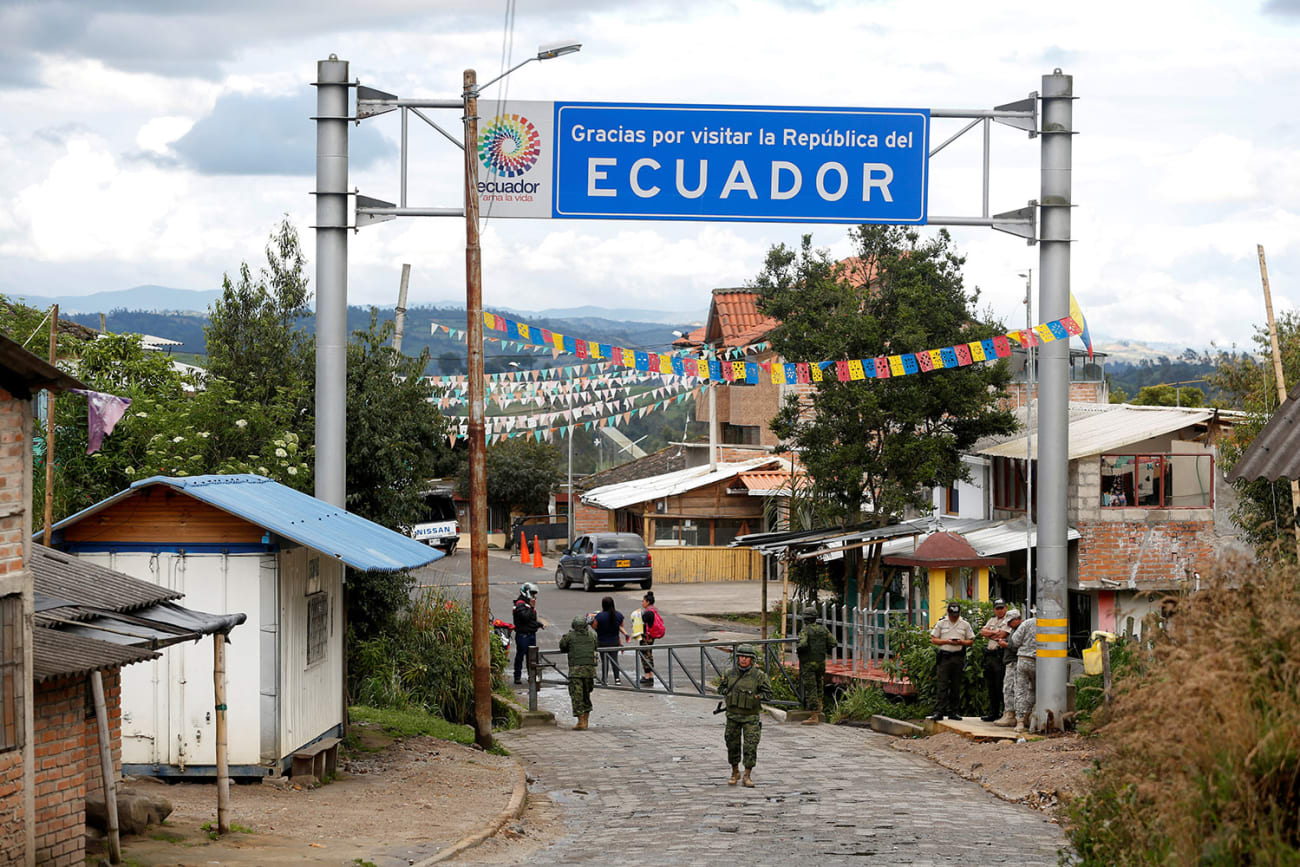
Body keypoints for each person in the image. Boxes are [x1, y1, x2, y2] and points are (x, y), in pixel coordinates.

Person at [719, 644, 772, 787]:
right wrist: (728, 693)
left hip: (750, 717)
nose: (743, 659)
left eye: (746, 657)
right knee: (732, 744)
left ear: (752, 660)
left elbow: (768, 694)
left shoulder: (759, 676)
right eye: (741, 657)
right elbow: (722, 688)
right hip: (733, 716)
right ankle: (735, 771)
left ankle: (747, 775)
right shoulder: (730, 673)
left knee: (750, 746)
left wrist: (756, 697)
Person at [929, 602, 974, 721]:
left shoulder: (964, 624)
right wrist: (946, 641)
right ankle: (939, 712)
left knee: (956, 685)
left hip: (958, 656)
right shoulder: (941, 623)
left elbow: (971, 641)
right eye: (952, 614)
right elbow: (933, 639)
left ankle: (954, 712)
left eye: (956, 614)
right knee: (942, 685)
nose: (954, 617)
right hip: (944, 657)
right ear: (948, 613)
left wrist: (961, 642)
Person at [796, 605, 837, 725]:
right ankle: (820, 707)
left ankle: (814, 716)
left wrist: (799, 649)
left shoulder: (805, 630)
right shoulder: (823, 629)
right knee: (819, 685)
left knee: (811, 688)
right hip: (820, 662)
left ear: (805, 619)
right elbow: (833, 643)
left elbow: (802, 645)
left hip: (808, 663)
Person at [559, 615, 597, 730]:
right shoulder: (592, 635)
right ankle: (585, 720)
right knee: (586, 695)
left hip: (576, 671)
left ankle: (581, 721)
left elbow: (562, 646)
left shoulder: (570, 636)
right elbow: (596, 645)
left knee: (577, 696)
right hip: (589, 671)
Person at [979, 599, 1014, 722]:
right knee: (991, 686)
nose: (1000, 611)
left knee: (1001, 685)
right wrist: (994, 632)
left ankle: (1003, 712)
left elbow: (1003, 635)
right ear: (994, 609)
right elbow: (982, 632)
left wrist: (991, 634)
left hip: (1000, 656)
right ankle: (993, 712)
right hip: (990, 655)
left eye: (1002, 608)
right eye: (997, 608)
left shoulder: (1009, 621)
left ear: (1006, 608)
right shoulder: (992, 620)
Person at [1008, 613, 1038, 733]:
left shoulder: (1026, 623)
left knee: (1020, 690)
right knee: (1034, 690)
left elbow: (1014, 641)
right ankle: (1029, 717)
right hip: (1041, 662)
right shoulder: (1049, 625)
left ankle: (1020, 721)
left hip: (1024, 659)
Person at [993, 609, 1024, 727]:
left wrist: (1005, 644)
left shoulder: (1021, 630)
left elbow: (1018, 646)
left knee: (1010, 688)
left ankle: (1011, 715)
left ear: (1017, 620)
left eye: (1010, 621)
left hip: (1014, 662)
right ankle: (1008, 713)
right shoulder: (1014, 630)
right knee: (1008, 688)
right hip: (1010, 662)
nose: (1009, 624)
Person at [512, 582, 542, 685]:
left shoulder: (528, 604)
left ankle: (532, 676)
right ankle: (517, 676)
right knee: (520, 656)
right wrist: (532, 608)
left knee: (532, 657)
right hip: (523, 635)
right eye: (532, 594)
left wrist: (538, 624)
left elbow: (531, 620)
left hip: (531, 634)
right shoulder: (520, 604)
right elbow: (524, 618)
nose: (534, 596)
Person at [593, 596, 628, 683]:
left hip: (602, 641)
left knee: (604, 661)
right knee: (615, 660)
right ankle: (617, 679)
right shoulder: (619, 615)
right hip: (614, 641)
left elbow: (594, 626)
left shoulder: (599, 616)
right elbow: (621, 626)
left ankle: (605, 679)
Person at [637, 592, 662, 686]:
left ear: (647, 602)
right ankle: (650, 675)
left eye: (643, 601)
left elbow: (640, 623)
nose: (642, 603)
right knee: (649, 654)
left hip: (646, 637)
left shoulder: (648, 613)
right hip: (651, 636)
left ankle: (647, 676)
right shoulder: (653, 610)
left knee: (645, 655)